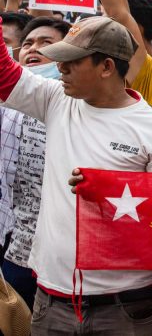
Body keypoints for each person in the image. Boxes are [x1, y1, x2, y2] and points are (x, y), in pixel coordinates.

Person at [0, 16, 152, 335]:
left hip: (126, 307)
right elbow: (3, 76)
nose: (59, 68)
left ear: (106, 67)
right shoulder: (54, 100)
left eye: (71, 62)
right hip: (51, 304)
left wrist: (113, 193)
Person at [0, 18, 70, 305]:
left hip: (58, 258)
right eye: (27, 43)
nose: (34, 48)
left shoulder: (74, 104)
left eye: (46, 43)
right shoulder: (6, 103)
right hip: (11, 247)